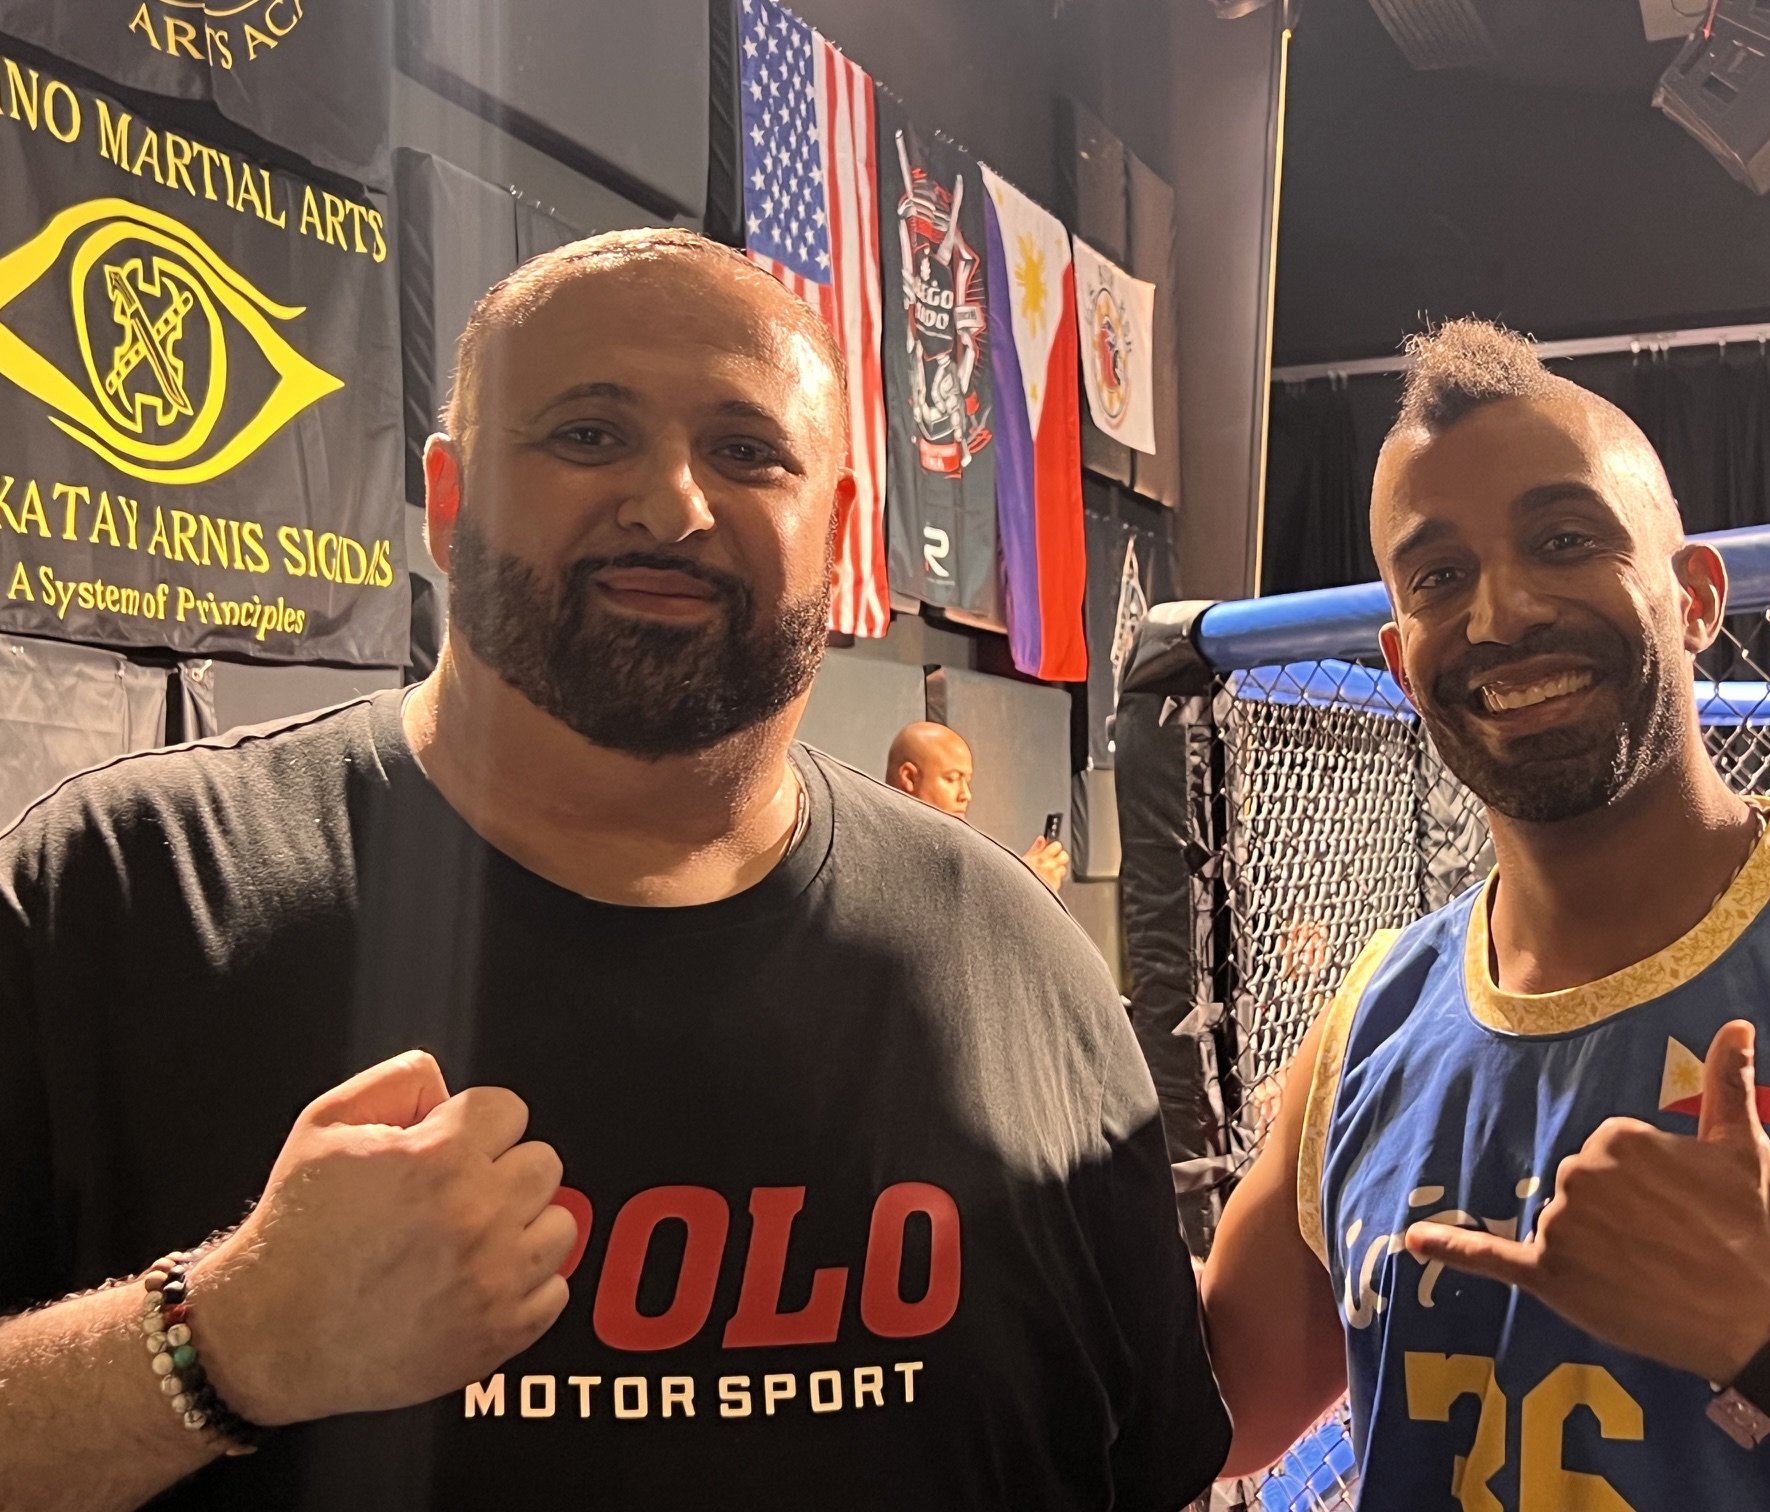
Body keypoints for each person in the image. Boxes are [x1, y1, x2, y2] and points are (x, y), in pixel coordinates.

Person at [0, 229, 1228, 1511]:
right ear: (452, 497)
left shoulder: (1014, 957)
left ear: (843, 533)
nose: (672, 503)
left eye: (747, 451)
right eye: (589, 434)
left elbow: (1153, 1468)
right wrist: (220, 1346)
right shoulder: (124, 896)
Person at [1201, 319, 1770, 1510]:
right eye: (1438, 576)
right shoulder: (1363, 1031)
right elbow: (1200, 1414)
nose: (1502, 611)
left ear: (1694, 598)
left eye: (1564, 538)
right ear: (1397, 655)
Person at [885, 720, 1071, 892]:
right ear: (909, 778)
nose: (965, 795)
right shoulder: (887, 855)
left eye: (967, 781)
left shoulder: (955, 852)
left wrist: (1024, 879)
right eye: (951, 779)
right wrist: (1022, 886)